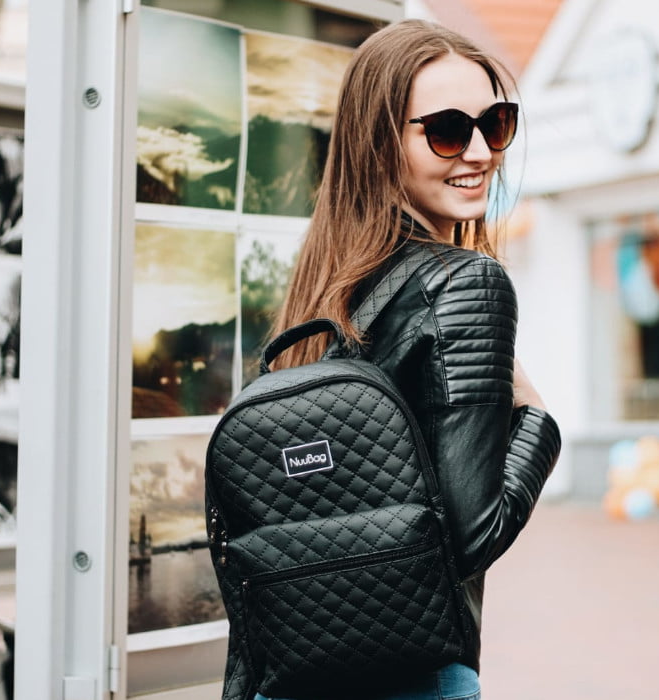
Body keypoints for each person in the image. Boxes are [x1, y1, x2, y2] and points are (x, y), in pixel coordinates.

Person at [246, 19, 562, 700]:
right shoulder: (466, 282)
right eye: (446, 131)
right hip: (412, 676)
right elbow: (474, 536)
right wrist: (538, 417)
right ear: (380, 142)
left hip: (293, 675)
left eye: (496, 124)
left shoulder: (329, 285)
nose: (479, 152)